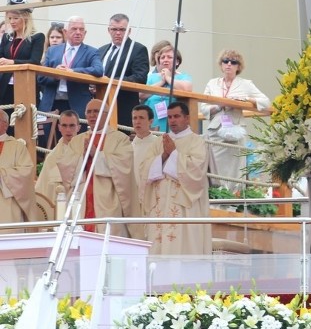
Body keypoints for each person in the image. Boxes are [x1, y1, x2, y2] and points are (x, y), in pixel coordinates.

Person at [137, 101, 211, 255]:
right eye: (170, 117)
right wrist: (164, 155)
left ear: (187, 118)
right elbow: (144, 168)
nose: (172, 120)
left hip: (183, 207)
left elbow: (197, 170)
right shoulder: (160, 142)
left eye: (177, 116)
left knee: (182, 248)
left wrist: (174, 154)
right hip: (159, 205)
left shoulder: (197, 141)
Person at [58, 99, 136, 237]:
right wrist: (82, 157)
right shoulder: (77, 140)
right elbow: (66, 167)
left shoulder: (120, 139)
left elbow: (124, 166)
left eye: (96, 111)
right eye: (89, 112)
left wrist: (96, 155)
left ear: (107, 114)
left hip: (107, 199)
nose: (92, 115)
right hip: (82, 198)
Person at [199, 49, 270, 192]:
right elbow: (204, 108)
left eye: (233, 62)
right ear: (221, 64)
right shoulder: (212, 83)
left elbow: (265, 102)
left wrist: (245, 100)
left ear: (238, 66)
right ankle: (218, 197)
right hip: (216, 131)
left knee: (236, 169)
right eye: (225, 61)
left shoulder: (245, 84)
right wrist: (220, 105)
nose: (229, 64)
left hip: (236, 129)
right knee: (215, 168)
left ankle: (233, 200)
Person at [38, 16, 103, 133]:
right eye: (74, 29)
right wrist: (55, 74)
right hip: (51, 104)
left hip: (76, 105)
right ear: (65, 32)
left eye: (81, 29)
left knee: (76, 144)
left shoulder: (91, 52)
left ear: (85, 32)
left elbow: (98, 70)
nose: (78, 32)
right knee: (47, 143)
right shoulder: (53, 50)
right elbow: (41, 77)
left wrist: (73, 72)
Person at [0, 0, 46, 133]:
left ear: (25, 17)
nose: (12, 22)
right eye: (10, 18)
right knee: (4, 125)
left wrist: (12, 62)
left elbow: (35, 61)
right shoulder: (7, 37)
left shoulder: (37, 36)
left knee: (22, 126)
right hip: (5, 87)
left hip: (25, 87)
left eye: (15, 18)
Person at [97, 13, 149, 130]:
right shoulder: (100, 51)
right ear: (108, 30)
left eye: (122, 30)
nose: (118, 33)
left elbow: (140, 78)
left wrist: (110, 82)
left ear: (129, 31)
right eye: (114, 29)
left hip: (123, 108)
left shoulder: (137, 50)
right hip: (100, 106)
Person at [140, 44, 192, 132]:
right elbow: (141, 94)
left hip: (174, 126)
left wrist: (168, 78)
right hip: (152, 125)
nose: (165, 60)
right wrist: (161, 82)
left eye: (169, 57)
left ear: (177, 62)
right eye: (162, 57)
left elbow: (187, 89)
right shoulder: (151, 77)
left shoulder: (183, 77)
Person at [35, 109, 81, 204]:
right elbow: (42, 188)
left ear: (78, 127)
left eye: (72, 125)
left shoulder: (86, 152)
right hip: (58, 204)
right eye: (64, 125)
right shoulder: (52, 158)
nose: (68, 130)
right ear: (59, 127)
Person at [0, 110, 35, 229]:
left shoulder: (16, 146)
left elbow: (26, 173)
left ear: (5, 124)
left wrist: (2, 175)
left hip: (8, 206)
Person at [131, 104, 159, 216]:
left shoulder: (159, 144)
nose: (137, 122)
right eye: (135, 118)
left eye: (141, 118)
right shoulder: (127, 147)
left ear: (150, 121)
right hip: (133, 198)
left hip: (153, 198)